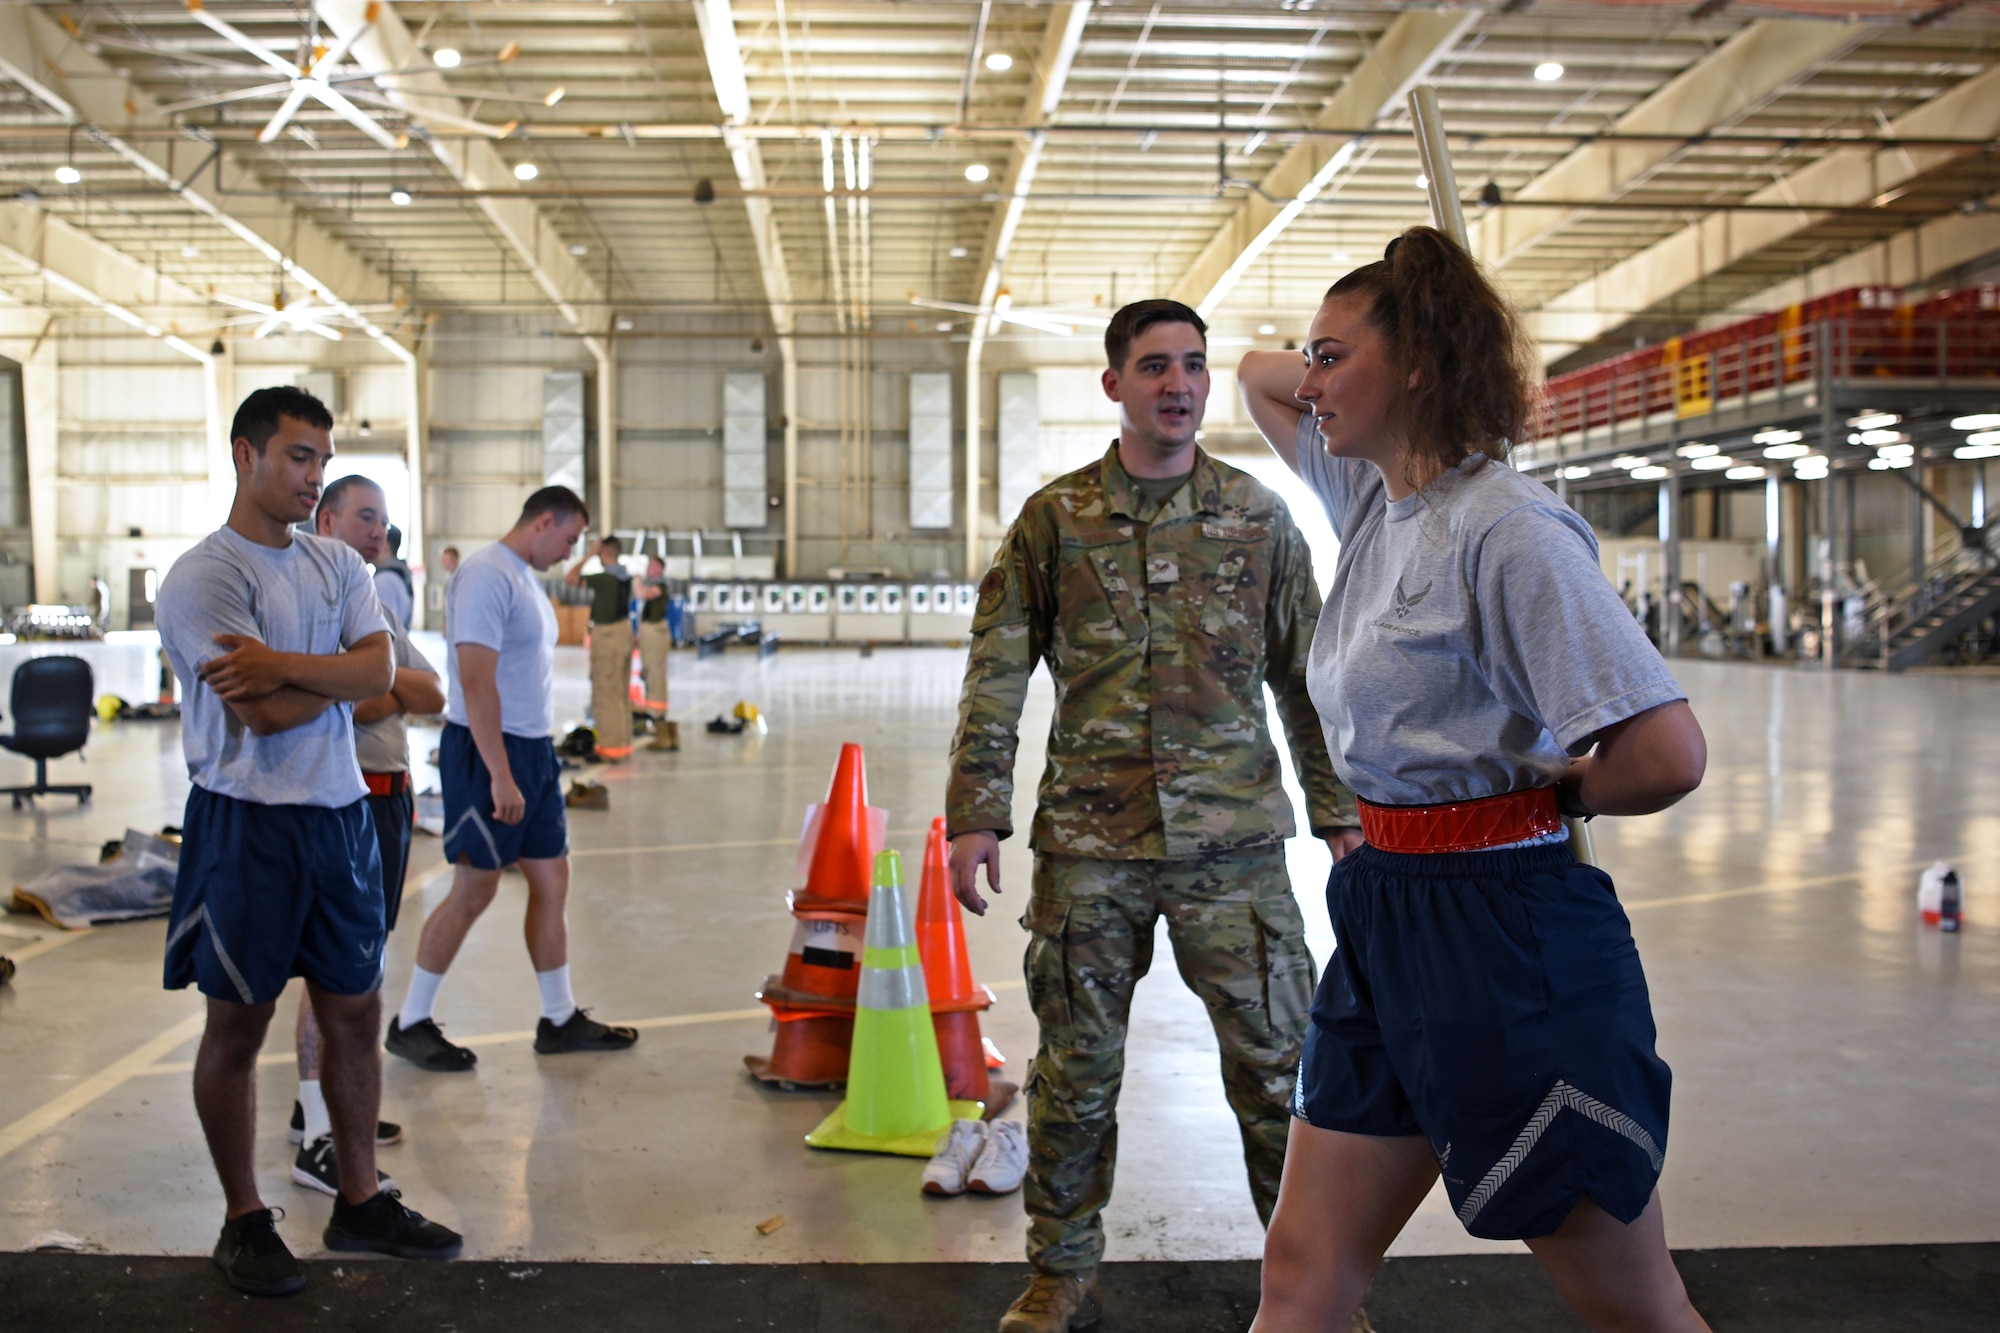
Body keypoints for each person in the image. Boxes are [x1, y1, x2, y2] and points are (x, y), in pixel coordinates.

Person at [1236, 228, 1710, 1333]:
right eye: (1311, 355)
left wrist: (1559, 795)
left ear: (1416, 364)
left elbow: (1663, 752)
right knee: (1300, 1273)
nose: (1304, 382)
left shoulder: (1509, 532)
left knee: (1628, 1302)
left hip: (1504, 933)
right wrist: (1353, 330)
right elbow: (1262, 379)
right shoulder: (1367, 501)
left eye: (1332, 355)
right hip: (1384, 913)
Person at [947, 299, 1362, 1333]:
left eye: (1189, 365)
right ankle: (1059, 1273)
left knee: (1280, 1073)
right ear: (1113, 385)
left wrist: (1339, 814)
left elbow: (1305, 678)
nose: (1175, 383)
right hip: (1090, 850)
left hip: (1234, 848)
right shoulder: (1055, 520)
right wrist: (974, 813)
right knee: (1075, 1072)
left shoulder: (1258, 516)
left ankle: (1310, 1288)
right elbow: (995, 671)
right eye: (1151, 366)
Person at [157, 385, 461, 1299]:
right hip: (246, 824)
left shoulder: (337, 563)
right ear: (246, 456)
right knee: (239, 1023)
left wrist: (292, 664)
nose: (312, 476)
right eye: (297, 456)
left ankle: (359, 1197)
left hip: (337, 817)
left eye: (322, 460)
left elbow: (386, 667)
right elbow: (260, 717)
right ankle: (245, 1217)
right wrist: (341, 678)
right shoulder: (203, 578)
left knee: (356, 1014)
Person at [386, 487, 638, 1071]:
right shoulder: (485, 576)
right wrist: (499, 774)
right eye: (570, 538)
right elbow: (475, 682)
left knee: (552, 879)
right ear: (543, 521)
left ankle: (558, 1017)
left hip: (533, 750)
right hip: (485, 751)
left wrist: (528, 764)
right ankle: (411, 1021)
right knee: (476, 887)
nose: (570, 551)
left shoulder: (526, 579)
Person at [285, 476, 445, 1197]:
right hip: (344, 799)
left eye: (384, 520)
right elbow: (321, 706)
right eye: (365, 517)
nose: (379, 532)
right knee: (333, 967)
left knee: (358, 965)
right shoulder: (310, 599)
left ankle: (322, 1108)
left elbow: (431, 689)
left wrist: (368, 685)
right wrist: (371, 686)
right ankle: (317, 1129)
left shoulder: (371, 598)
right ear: (327, 519)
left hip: (391, 799)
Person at [563, 535, 656, 760]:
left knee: (606, 692)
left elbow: (570, 577)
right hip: (623, 631)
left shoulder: (604, 579)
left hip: (608, 635)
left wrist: (589, 554)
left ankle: (610, 748)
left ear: (604, 552)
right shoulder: (625, 577)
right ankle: (622, 744)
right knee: (620, 693)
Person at [636, 553, 673, 713]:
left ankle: (657, 712)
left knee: (655, 673)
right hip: (648, 631)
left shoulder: (661, 585)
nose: (647, 569)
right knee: (648, 672)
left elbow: (641, 593)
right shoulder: (654, 584)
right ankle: (651, 707)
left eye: (651, 566)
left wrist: (636, 580)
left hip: (656, 632)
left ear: (659, 568)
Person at [373, 524, 414, 630]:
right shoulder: (398, 575)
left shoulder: (384, 581)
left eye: (374, 540)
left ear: (384, 545)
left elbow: (382, 629)